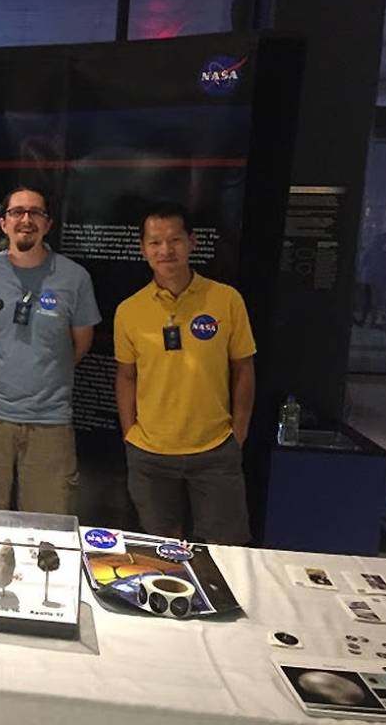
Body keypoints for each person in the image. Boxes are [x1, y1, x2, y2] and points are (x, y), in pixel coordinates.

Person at [114, 201, 255, 544]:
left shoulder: (226, 300)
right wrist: (130, 433)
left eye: (174, 240)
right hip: (150, 454)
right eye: (155, 242)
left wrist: (237, 434)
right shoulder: (129, 310)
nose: (166, 250)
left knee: (225, 551)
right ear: (143, 249)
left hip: (214, 450)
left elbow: (244, 369)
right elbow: (127, 376)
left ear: (192, 242)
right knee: (160, 550)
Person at [0, 187, 100, 514]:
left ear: (47, 224)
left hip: (50, 422)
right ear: (3, 223)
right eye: (17, 212)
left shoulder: (74, 278)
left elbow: (80, 345)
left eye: (35, 213)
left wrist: (46, 371)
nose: (26, 219)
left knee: (48, 529)